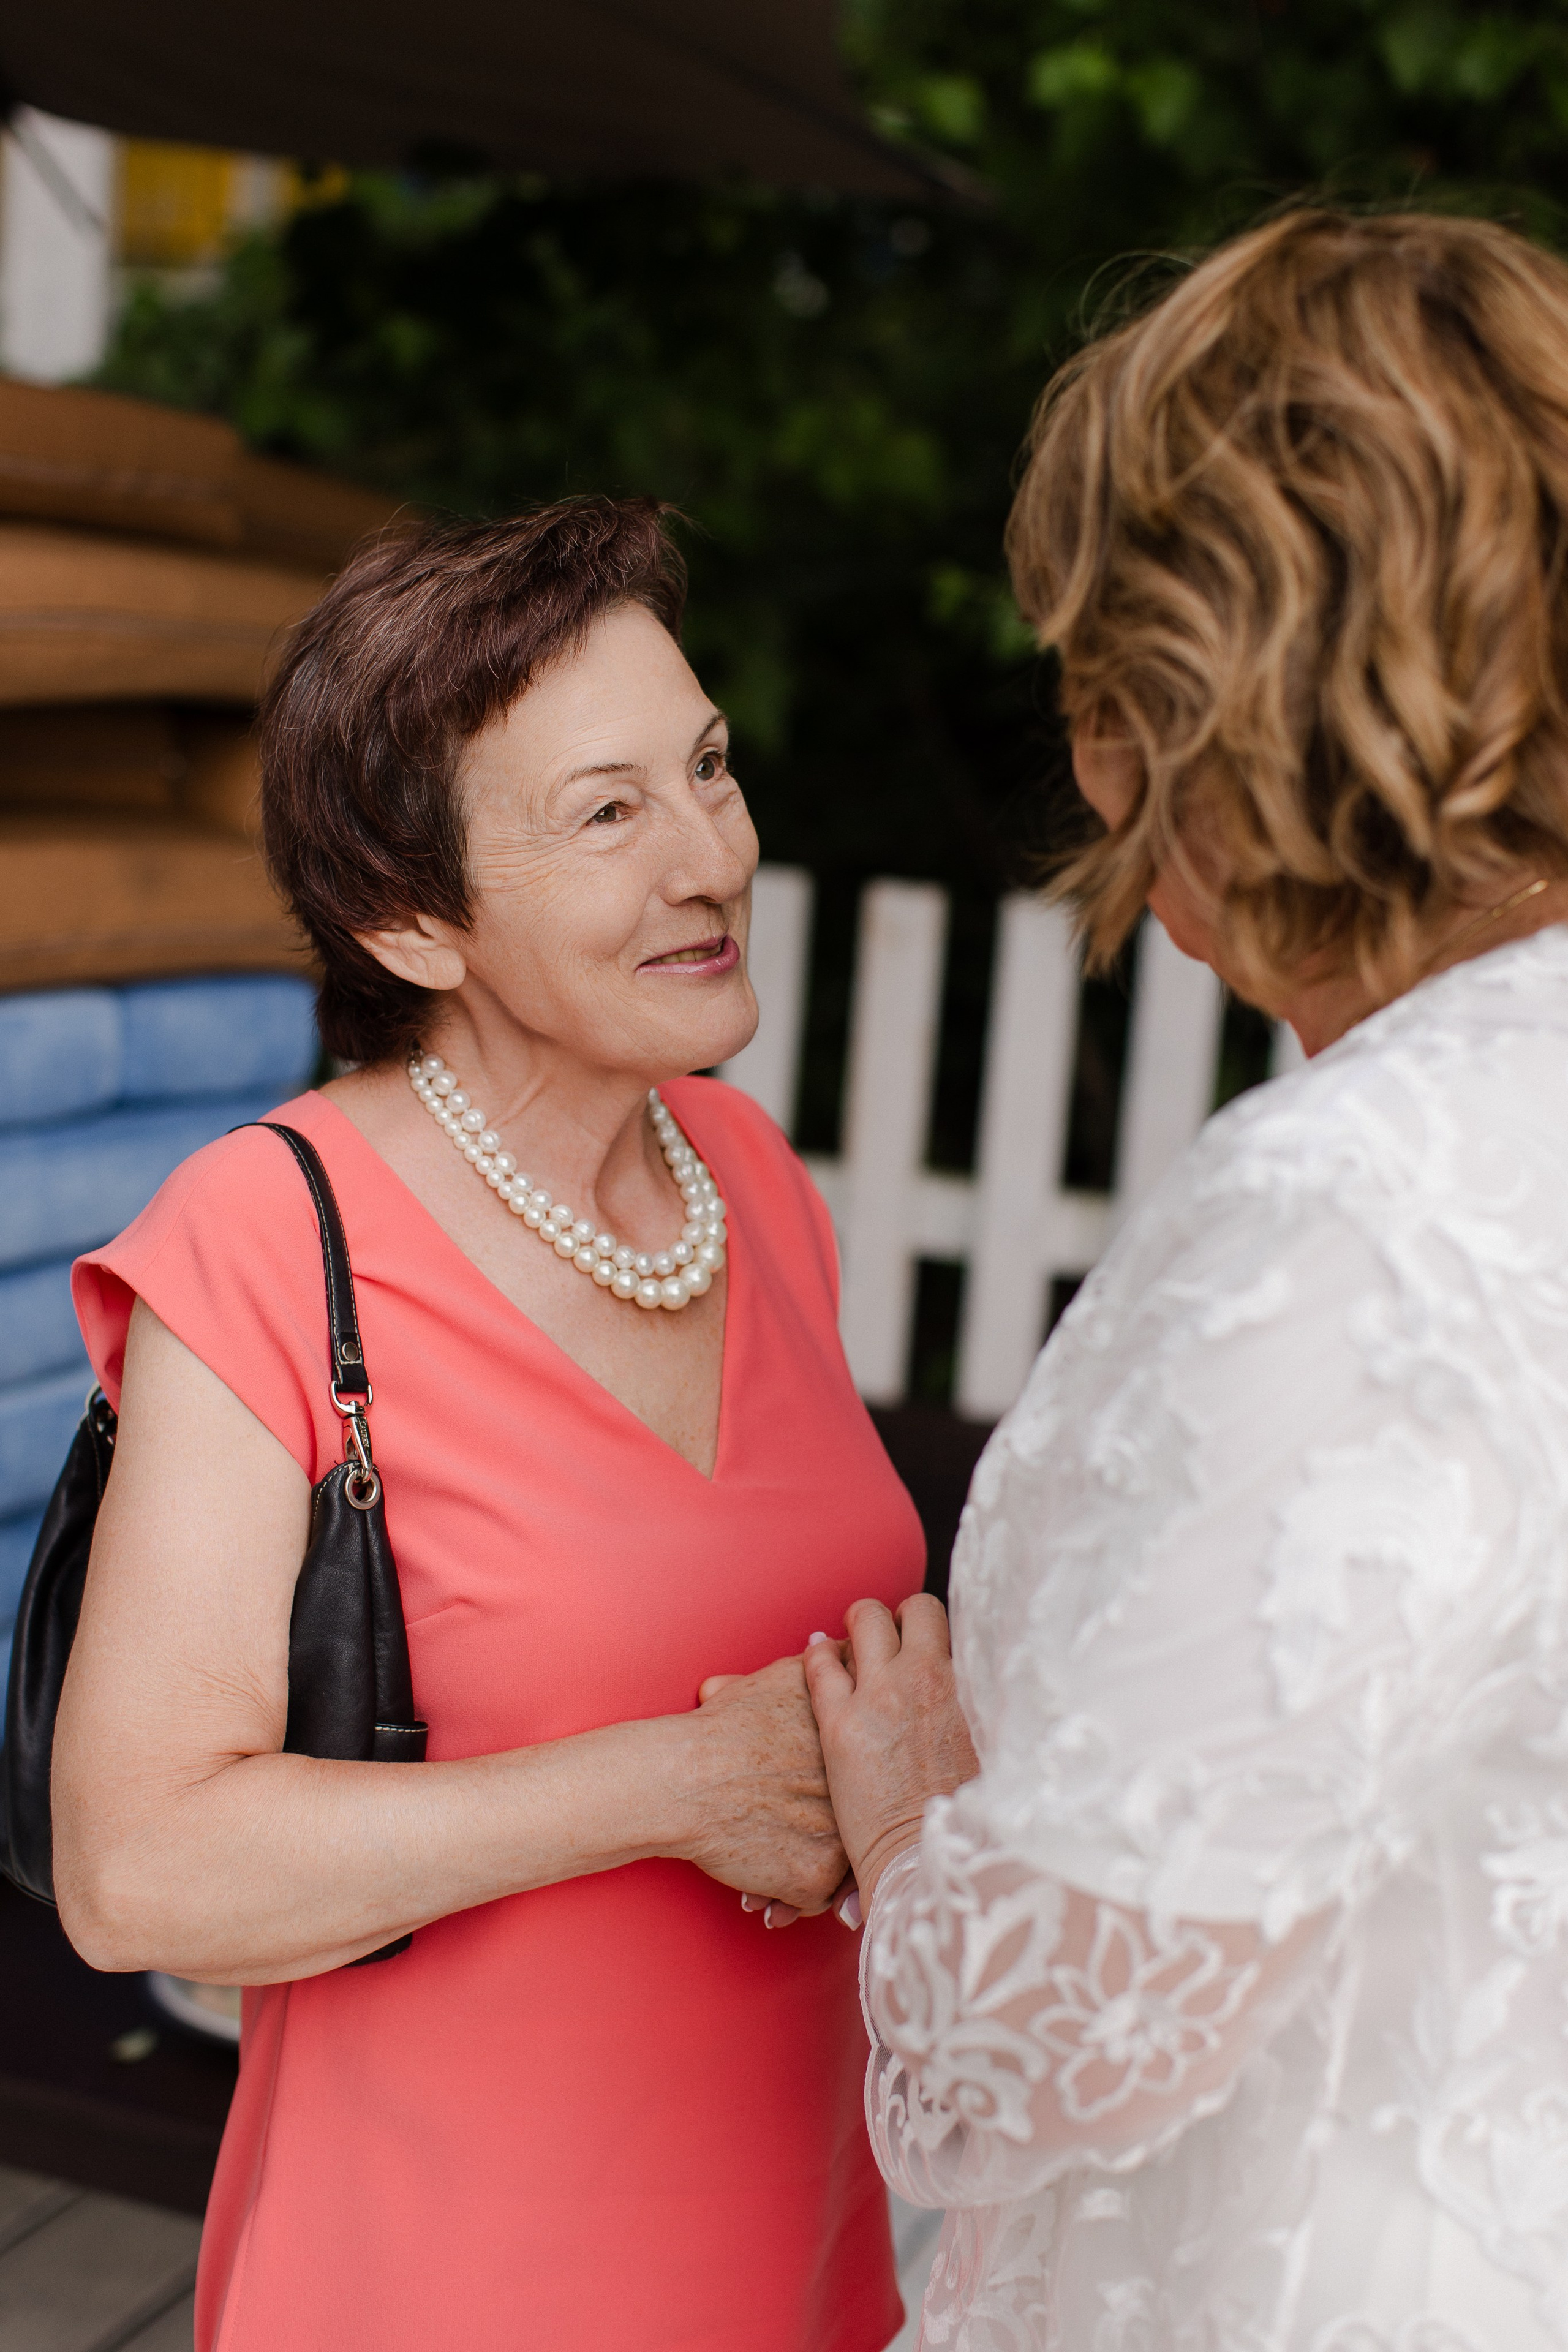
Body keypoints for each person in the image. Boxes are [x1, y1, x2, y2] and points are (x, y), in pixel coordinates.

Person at [805, 209, 1568, 2350]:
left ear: (1204, 686)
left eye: (1096, 669)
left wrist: (911, 1819)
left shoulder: (1365, 1206)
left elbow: (1060, 2027)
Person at [52, 497, 921, 2352]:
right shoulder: (269, 1233)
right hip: (448, 2278)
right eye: (608, 814)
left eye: (708, 769)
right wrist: (677, 1789)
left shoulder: (753, 1184)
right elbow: (139, 1874)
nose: (710, 858)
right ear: (410, 919)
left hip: (800, 2251)